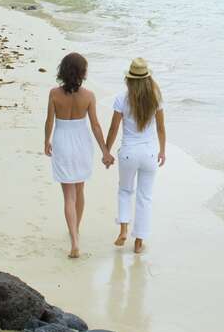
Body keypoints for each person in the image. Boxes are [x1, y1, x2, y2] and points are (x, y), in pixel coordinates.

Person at [44, 52, 113, 258]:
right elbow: (96, 125)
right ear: (82, 72)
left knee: (68, 195)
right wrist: (105, 151)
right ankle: (76, 230)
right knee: (80, 189)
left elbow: (49, 121)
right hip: (82, 142)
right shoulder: (89, 96)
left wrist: (46, 141)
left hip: (62, 141)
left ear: (63, 71)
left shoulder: (54, 94)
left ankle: (74, 239)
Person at [106, 57, 166, 254]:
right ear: (148, 78)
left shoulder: (121, 99)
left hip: (129, 153)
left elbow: (114, 128)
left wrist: (106, 151)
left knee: (125, 191)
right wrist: (162, 150)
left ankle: (123, 228)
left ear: (129, 79)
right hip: (149, 154)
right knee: (145, 197)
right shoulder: (156, 98)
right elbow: (161, 128)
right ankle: (139, 241)